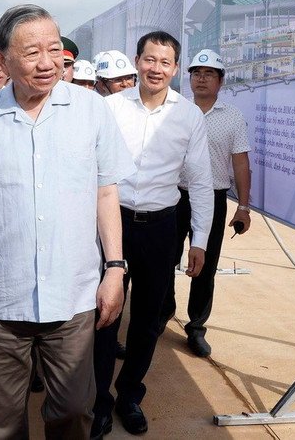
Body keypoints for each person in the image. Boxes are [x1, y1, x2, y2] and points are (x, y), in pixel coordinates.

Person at [0, 4, 134, 440]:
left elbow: (105, 192)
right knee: (1, 420)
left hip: (73, 293)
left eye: (54, 49)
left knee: (74, 410)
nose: (47, 63)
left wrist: (115, 268)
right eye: (32, 53)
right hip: (2, 298)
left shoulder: (91, 111)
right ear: (3, 61)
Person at [93, 31, 213, 437]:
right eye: (149, 59)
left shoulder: (188, 115)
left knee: (146, 321)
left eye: (165, 62)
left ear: (175, 68)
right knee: (104, 314)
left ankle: (129, 395)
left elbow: (200, 182)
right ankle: (99, 402)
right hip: (112, 222)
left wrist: (198, 240)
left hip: (162, 228)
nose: (156, 68)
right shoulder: (108, 107)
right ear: (137, 62)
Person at [160, 49, 252, 357]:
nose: (201, 78)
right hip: (174, 195)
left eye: (209, 73)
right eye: (196, 73)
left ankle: (196, 327)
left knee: (205, 265)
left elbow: (240, 163)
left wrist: (243, 206)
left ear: (221, 81)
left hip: (213, 197)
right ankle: (162, 313)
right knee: (165, 258)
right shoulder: (175, 111)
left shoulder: (233, 117)